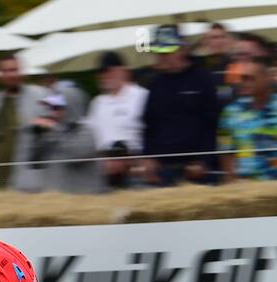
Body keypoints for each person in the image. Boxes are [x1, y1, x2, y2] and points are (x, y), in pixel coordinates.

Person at [141, 24, 220, 185]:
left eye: (168, 51)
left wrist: (204, 159)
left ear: (183, 50)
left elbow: (213, 123)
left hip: (198, 170)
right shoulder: (155, 84)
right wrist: (148, 157)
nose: (163, 56)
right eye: (159, 51)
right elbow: (149, 125)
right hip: (164, 170)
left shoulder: (203, 79)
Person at [218, 57, 277, 182]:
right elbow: (225, 151)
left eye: (250, 78)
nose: (243, 83)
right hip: (244, 188)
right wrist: (231, 181)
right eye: (242, 79)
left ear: (267, 78)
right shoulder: (230, 112)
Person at [0, 54, 47, 191]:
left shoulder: (41, 95)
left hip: (30, 182)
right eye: (6, 71)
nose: (11, 75)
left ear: (22, 71)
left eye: (14, 70)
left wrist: (45, 125)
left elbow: (61, 120)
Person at [87, 51, 148, 189]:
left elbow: (153, 133)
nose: (103, 76)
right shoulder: (97, 103)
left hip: (135, 173)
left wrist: (128, 158)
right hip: (105, 175)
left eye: (107, 71)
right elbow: (90, 137)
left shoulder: (141, 96)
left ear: (122, 71)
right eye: (100, 73)